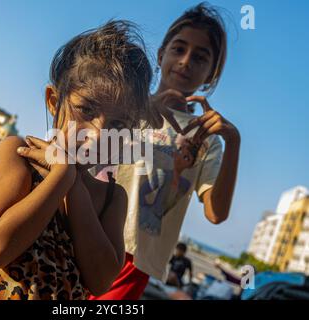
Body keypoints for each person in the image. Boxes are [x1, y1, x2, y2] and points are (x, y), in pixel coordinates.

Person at [0, 20, 154, 300]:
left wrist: (73, 185)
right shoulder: (18, 155)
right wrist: (60, 177)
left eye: (117, 125)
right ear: (54, 101)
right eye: (86, 109)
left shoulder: (111, 198)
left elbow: (101, 281)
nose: (97, 136)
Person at [89, 2, 240, 300]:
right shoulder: (125, 104)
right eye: (179, 49)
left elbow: (216, 213)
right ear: (161, 54)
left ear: (211, 73)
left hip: (136, 260)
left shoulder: (207, 138)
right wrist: (137, 115)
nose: (185, 61)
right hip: (88, 230)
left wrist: (234, 142)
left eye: (200, 57)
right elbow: (87, 158)